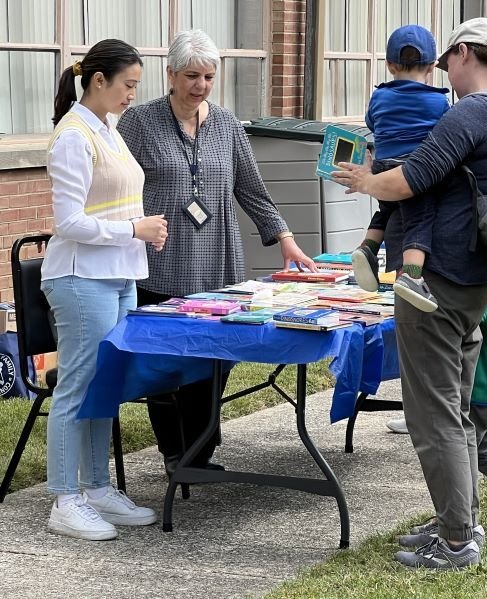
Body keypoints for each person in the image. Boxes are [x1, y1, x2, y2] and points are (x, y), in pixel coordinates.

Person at [333, 17, 487, 570]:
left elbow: (409, 179)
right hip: (475, 274)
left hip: (436, 281)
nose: (444, 73)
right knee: (460, 411)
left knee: (434, 414)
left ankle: (456, 540)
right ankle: (458, 521)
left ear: (466, 53)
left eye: (447, 62)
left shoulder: (475, 110)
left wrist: (362, 181)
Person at [117, 29, 316, 477]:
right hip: (161, 265)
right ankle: (175, 454)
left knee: (216, 360)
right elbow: (117, 188)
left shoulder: (226, 124)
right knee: (169, 361)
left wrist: (284, 237)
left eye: (208, 76)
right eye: (191, 76)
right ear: (170, 74)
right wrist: (128, 231)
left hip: (219, 264)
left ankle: (201, 450)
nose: (200, 85)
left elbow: (251, 188)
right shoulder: (140, 123)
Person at [41, 39, 169, 541]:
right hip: (79, 276)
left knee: (106, 382)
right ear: (99, 81)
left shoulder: (110, 129)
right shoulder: (73, 136)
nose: (133, 95)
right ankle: (64, 499)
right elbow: (68, 222)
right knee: (77, 384)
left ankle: (96, 488)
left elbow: (112, 204)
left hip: (117, 274)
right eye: (128, 85)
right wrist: (132, 230)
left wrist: (141, 229)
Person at [391, 273, 487, 551]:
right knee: (486, 447)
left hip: (479, 387)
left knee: (467, 449)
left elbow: (457, 332)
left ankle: (462, 521)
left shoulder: (470, 290)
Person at [351, 24, 449, 312]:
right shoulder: (438, 101)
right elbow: (448, 132)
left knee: (387, 209)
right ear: (431, 67)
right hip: (413, 170)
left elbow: (371, 122)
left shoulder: (379, 97)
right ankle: (412, 276)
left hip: (382, 167)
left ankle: (367, 248)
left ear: (390, 65)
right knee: (419, 219)